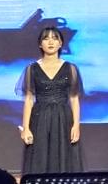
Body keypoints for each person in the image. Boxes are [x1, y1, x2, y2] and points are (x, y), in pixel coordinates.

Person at [18, 26, 84, 174]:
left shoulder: (70, 68)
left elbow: (74, 99)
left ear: (61, 44)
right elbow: (29, 99)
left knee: (64, 157)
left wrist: (76, 125)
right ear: (40, 44)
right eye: (46, 38)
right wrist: (26, 127)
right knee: (39, 157)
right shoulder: (32, 69)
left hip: (63, 118)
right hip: (39, 118)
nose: (50, 42)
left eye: (55, 38)